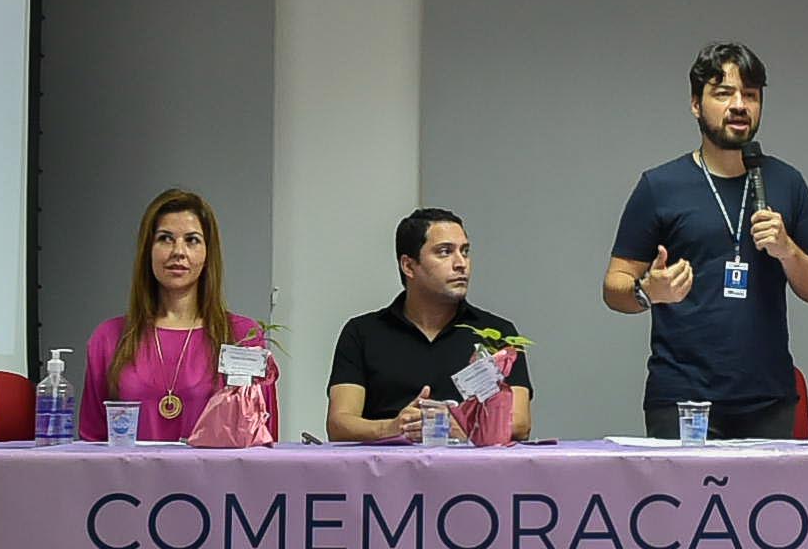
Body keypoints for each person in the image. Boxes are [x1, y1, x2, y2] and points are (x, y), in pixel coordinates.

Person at [603, 42, 808, 439]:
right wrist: (648, 291)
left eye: (751, 95)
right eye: (723, 93)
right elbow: (613, 287)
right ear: (696, 104)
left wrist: (788, 251)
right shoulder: (660, 186)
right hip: (682, 399)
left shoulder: (787, 182)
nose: (739, 105)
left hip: (768, 399)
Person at [81, 188, 278, 442]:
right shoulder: (108, 338)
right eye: (165, 238)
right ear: (147, 250)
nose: (178, 251)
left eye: (192, 240)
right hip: (129, 471)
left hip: (216, 471)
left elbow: (262, 441)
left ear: (208, 253)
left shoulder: (243, 337)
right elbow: (92, 444)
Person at [327, 207, 534, 442]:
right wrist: (393, 427)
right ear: (408, 266)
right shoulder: (362, 333)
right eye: (445, 252)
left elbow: (520, 423)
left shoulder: (496, 334)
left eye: (465, 252)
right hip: (388, 462)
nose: (461, 263)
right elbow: (339, 424)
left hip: (471, 462)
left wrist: (455, 425)